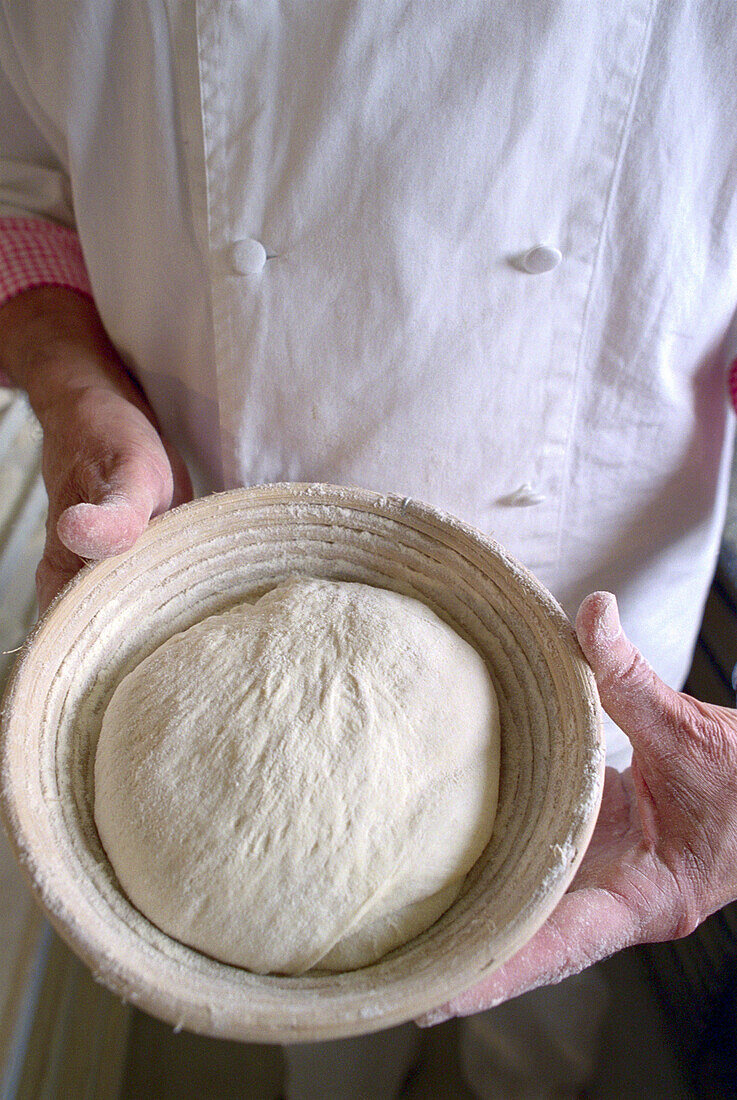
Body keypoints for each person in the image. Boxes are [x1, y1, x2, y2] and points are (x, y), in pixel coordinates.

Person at [1, 3, 736, 1096]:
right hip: (199, 523)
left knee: (552, 979)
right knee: (325, 1035)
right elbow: (20, 201)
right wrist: (77, 404)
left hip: (594, 587)